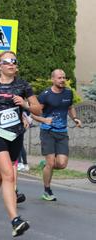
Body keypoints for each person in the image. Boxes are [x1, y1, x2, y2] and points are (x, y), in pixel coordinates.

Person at [0, 51, 42, 237]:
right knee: (9, 175)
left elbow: (38, 108)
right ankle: (15, 220)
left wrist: (25, 104)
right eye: (7, 61)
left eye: (14, 61)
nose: (12, 64)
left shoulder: (23, 85)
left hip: (16, 136)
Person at [31, 69, 82, 201]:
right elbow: (34, 113)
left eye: (64, 77)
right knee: (50, 163)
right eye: (59, 78)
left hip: (62, 132)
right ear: (53, 79)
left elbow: (70, 107)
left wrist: (75, 118)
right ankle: (47, 190)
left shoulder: (68, 93)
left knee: (62, 164)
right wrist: (44, 120)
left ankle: (46, 165)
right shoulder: (45, 95)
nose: (62, 80)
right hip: (47, 132)